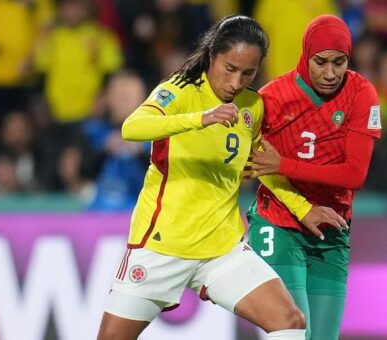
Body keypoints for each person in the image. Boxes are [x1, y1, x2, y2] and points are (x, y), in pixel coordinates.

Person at [97, 15, 347, 340]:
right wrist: (202, 118)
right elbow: (133, 127)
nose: (236, 82)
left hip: (221, 248)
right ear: (213, 55)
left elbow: (261, 164)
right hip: (162, 246)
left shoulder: (251, 106)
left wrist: (303, 209)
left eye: (248, 73)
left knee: (289, 321)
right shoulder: (180, 90)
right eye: (230, 69)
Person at [246, 15, 381, 340]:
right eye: (321, 62)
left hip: (331, 229)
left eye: (340, 62)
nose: (331, 73)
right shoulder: (272, 98)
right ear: (306, 55)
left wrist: (284, 165)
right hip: (278, 224)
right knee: (293, 331)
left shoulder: (362, 94)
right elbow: (253, 165)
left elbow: (354, 174)